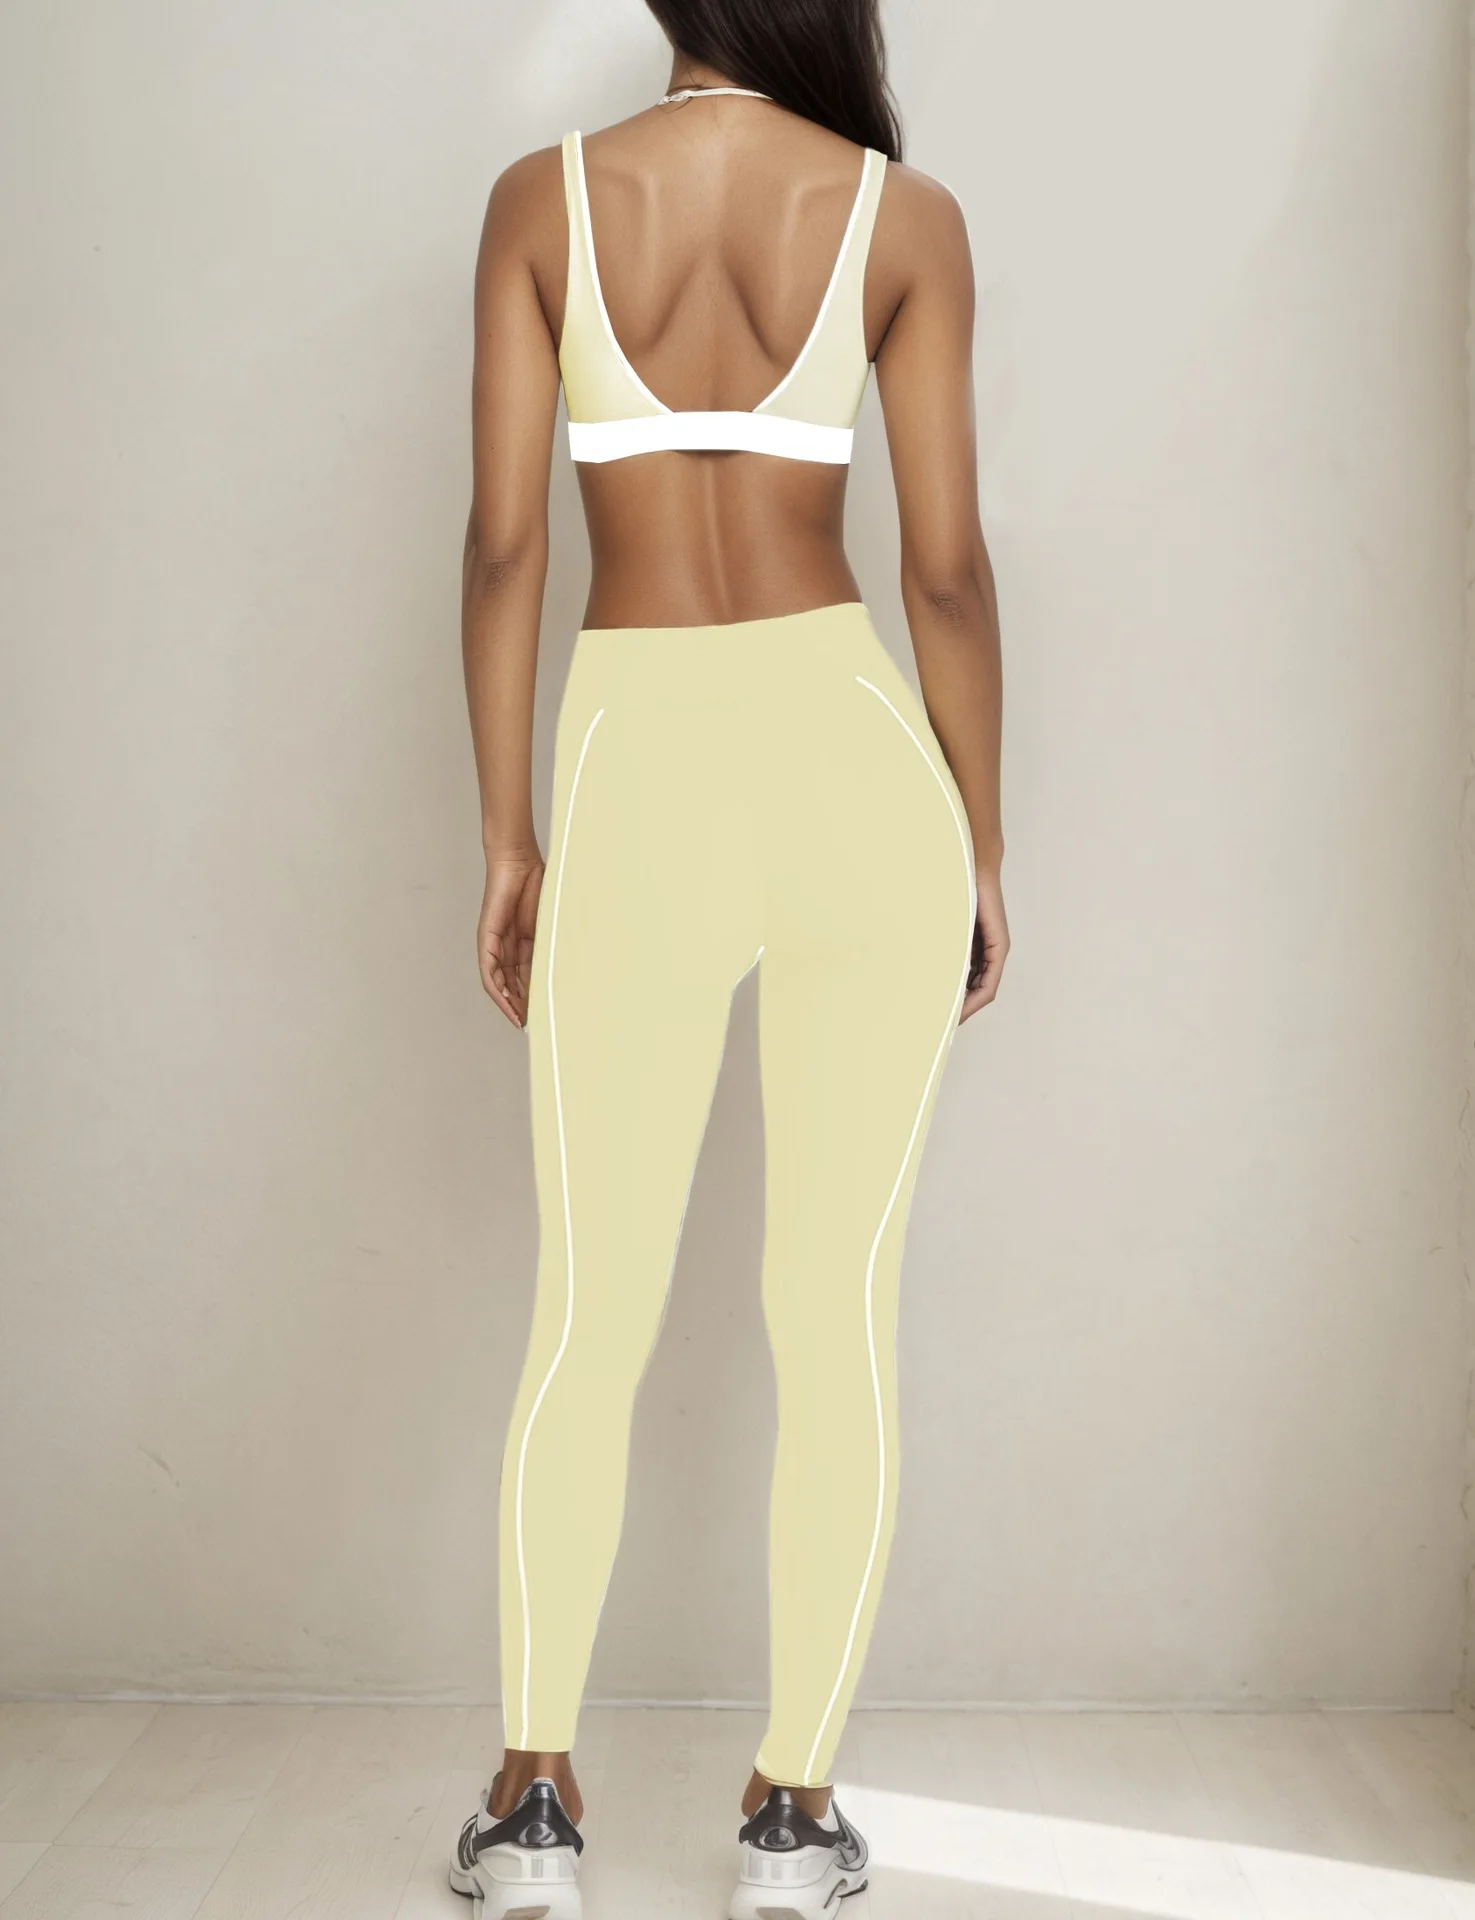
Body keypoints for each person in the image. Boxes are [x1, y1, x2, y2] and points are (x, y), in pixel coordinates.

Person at [453, 2, 1006, 1913]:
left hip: (637, 761)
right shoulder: (899, 216)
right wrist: (980, 839)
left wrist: (510, 834)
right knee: (835, 1313)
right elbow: (944, 568)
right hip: (856, 761)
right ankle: (792, 1818)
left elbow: (505, 547)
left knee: (585, 1310)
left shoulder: (542, 200)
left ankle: (533, 1806)